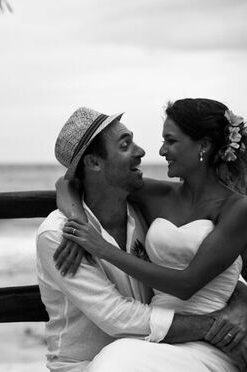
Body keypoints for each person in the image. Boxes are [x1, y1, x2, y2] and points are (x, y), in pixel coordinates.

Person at [38, 106, 247, 372]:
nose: (147, 151)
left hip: (155, 349)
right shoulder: (61, 235)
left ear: (203, 146)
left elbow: (213, 268)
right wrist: (78, 219)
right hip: (89, 363)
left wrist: (242, 301)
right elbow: (66, 183)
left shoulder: (141, 209)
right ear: (93, 163)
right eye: (126, 145)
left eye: (170, 141)